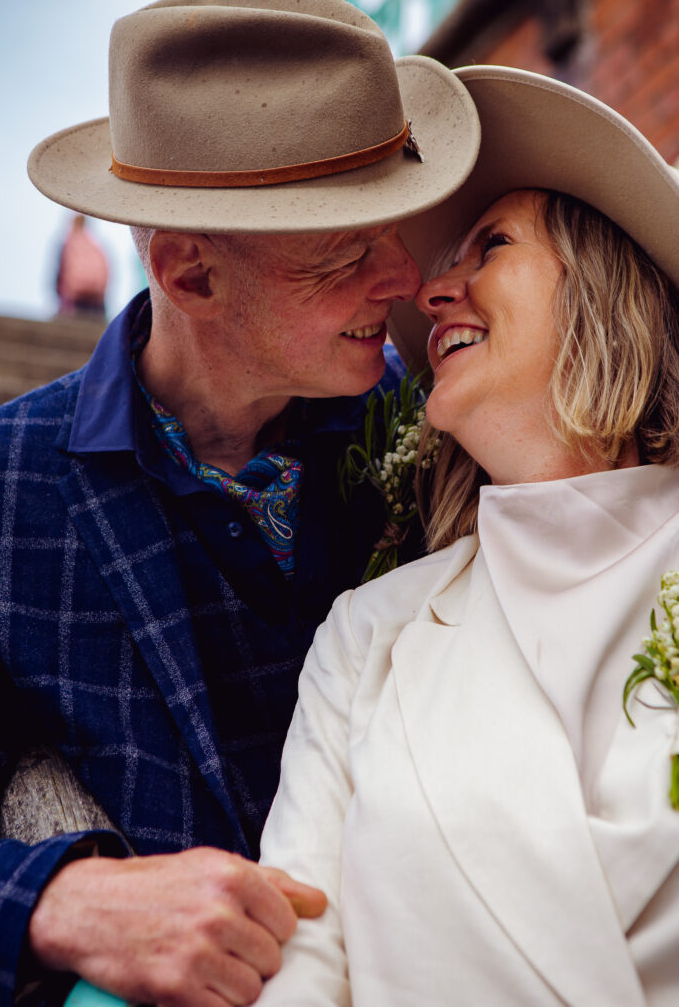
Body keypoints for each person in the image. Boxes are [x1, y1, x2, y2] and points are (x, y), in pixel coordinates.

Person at [0, 0, 481, 1004]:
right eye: (342, 254)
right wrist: (51, 903)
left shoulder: (459, 420)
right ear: (189, 271)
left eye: (390, 228)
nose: (400, 277)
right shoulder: (6, 481)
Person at [257, 66, 679, 1005]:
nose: (432, 290)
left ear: (604, 292)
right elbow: (303, 958)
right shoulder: (368, 634)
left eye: (489, 247)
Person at [55, 214, 109, 319]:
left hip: (74, 298)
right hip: (95, 298)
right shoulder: (95, 245)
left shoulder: (68, 244)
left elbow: (60, 272)